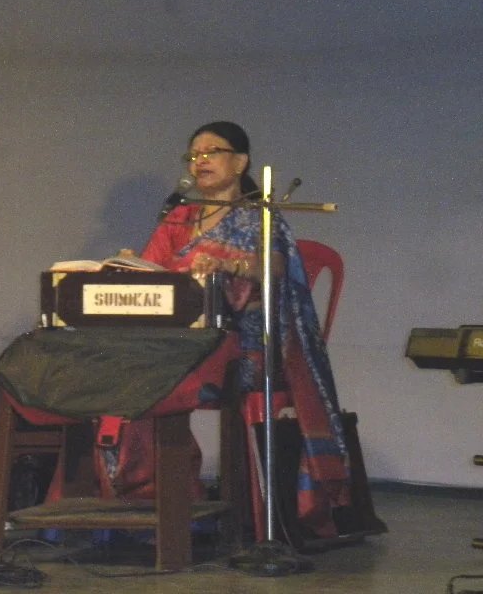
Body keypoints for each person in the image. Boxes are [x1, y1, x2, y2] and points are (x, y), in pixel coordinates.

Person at [137, 121, 351, 537]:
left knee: (153, 379)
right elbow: (151, 272)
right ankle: (163, 500)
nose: (199, 161)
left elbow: (275, 268)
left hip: (244, 345)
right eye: (193, 155)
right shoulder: (179, 218)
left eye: (211, 152)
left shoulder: (258, 217)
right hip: (181, 340)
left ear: (239, 162)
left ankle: (186, 506)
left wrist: (228, 265)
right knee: (131, 376)